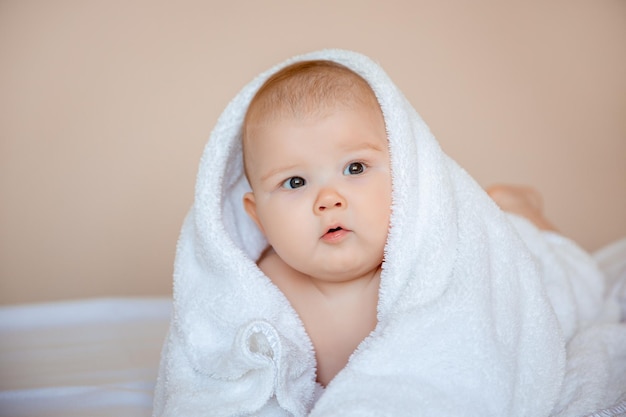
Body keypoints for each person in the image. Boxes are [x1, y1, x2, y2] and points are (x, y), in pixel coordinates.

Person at [153, 50, 626, 417]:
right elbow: (213, 373)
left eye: (355, 167)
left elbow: (467, 356)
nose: (329, 199)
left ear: (405, 176)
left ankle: (519, 210)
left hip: (528, 264)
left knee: (561, 268)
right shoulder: (256, 291)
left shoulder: (433, 263)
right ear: (257, 217)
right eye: (295, 182)